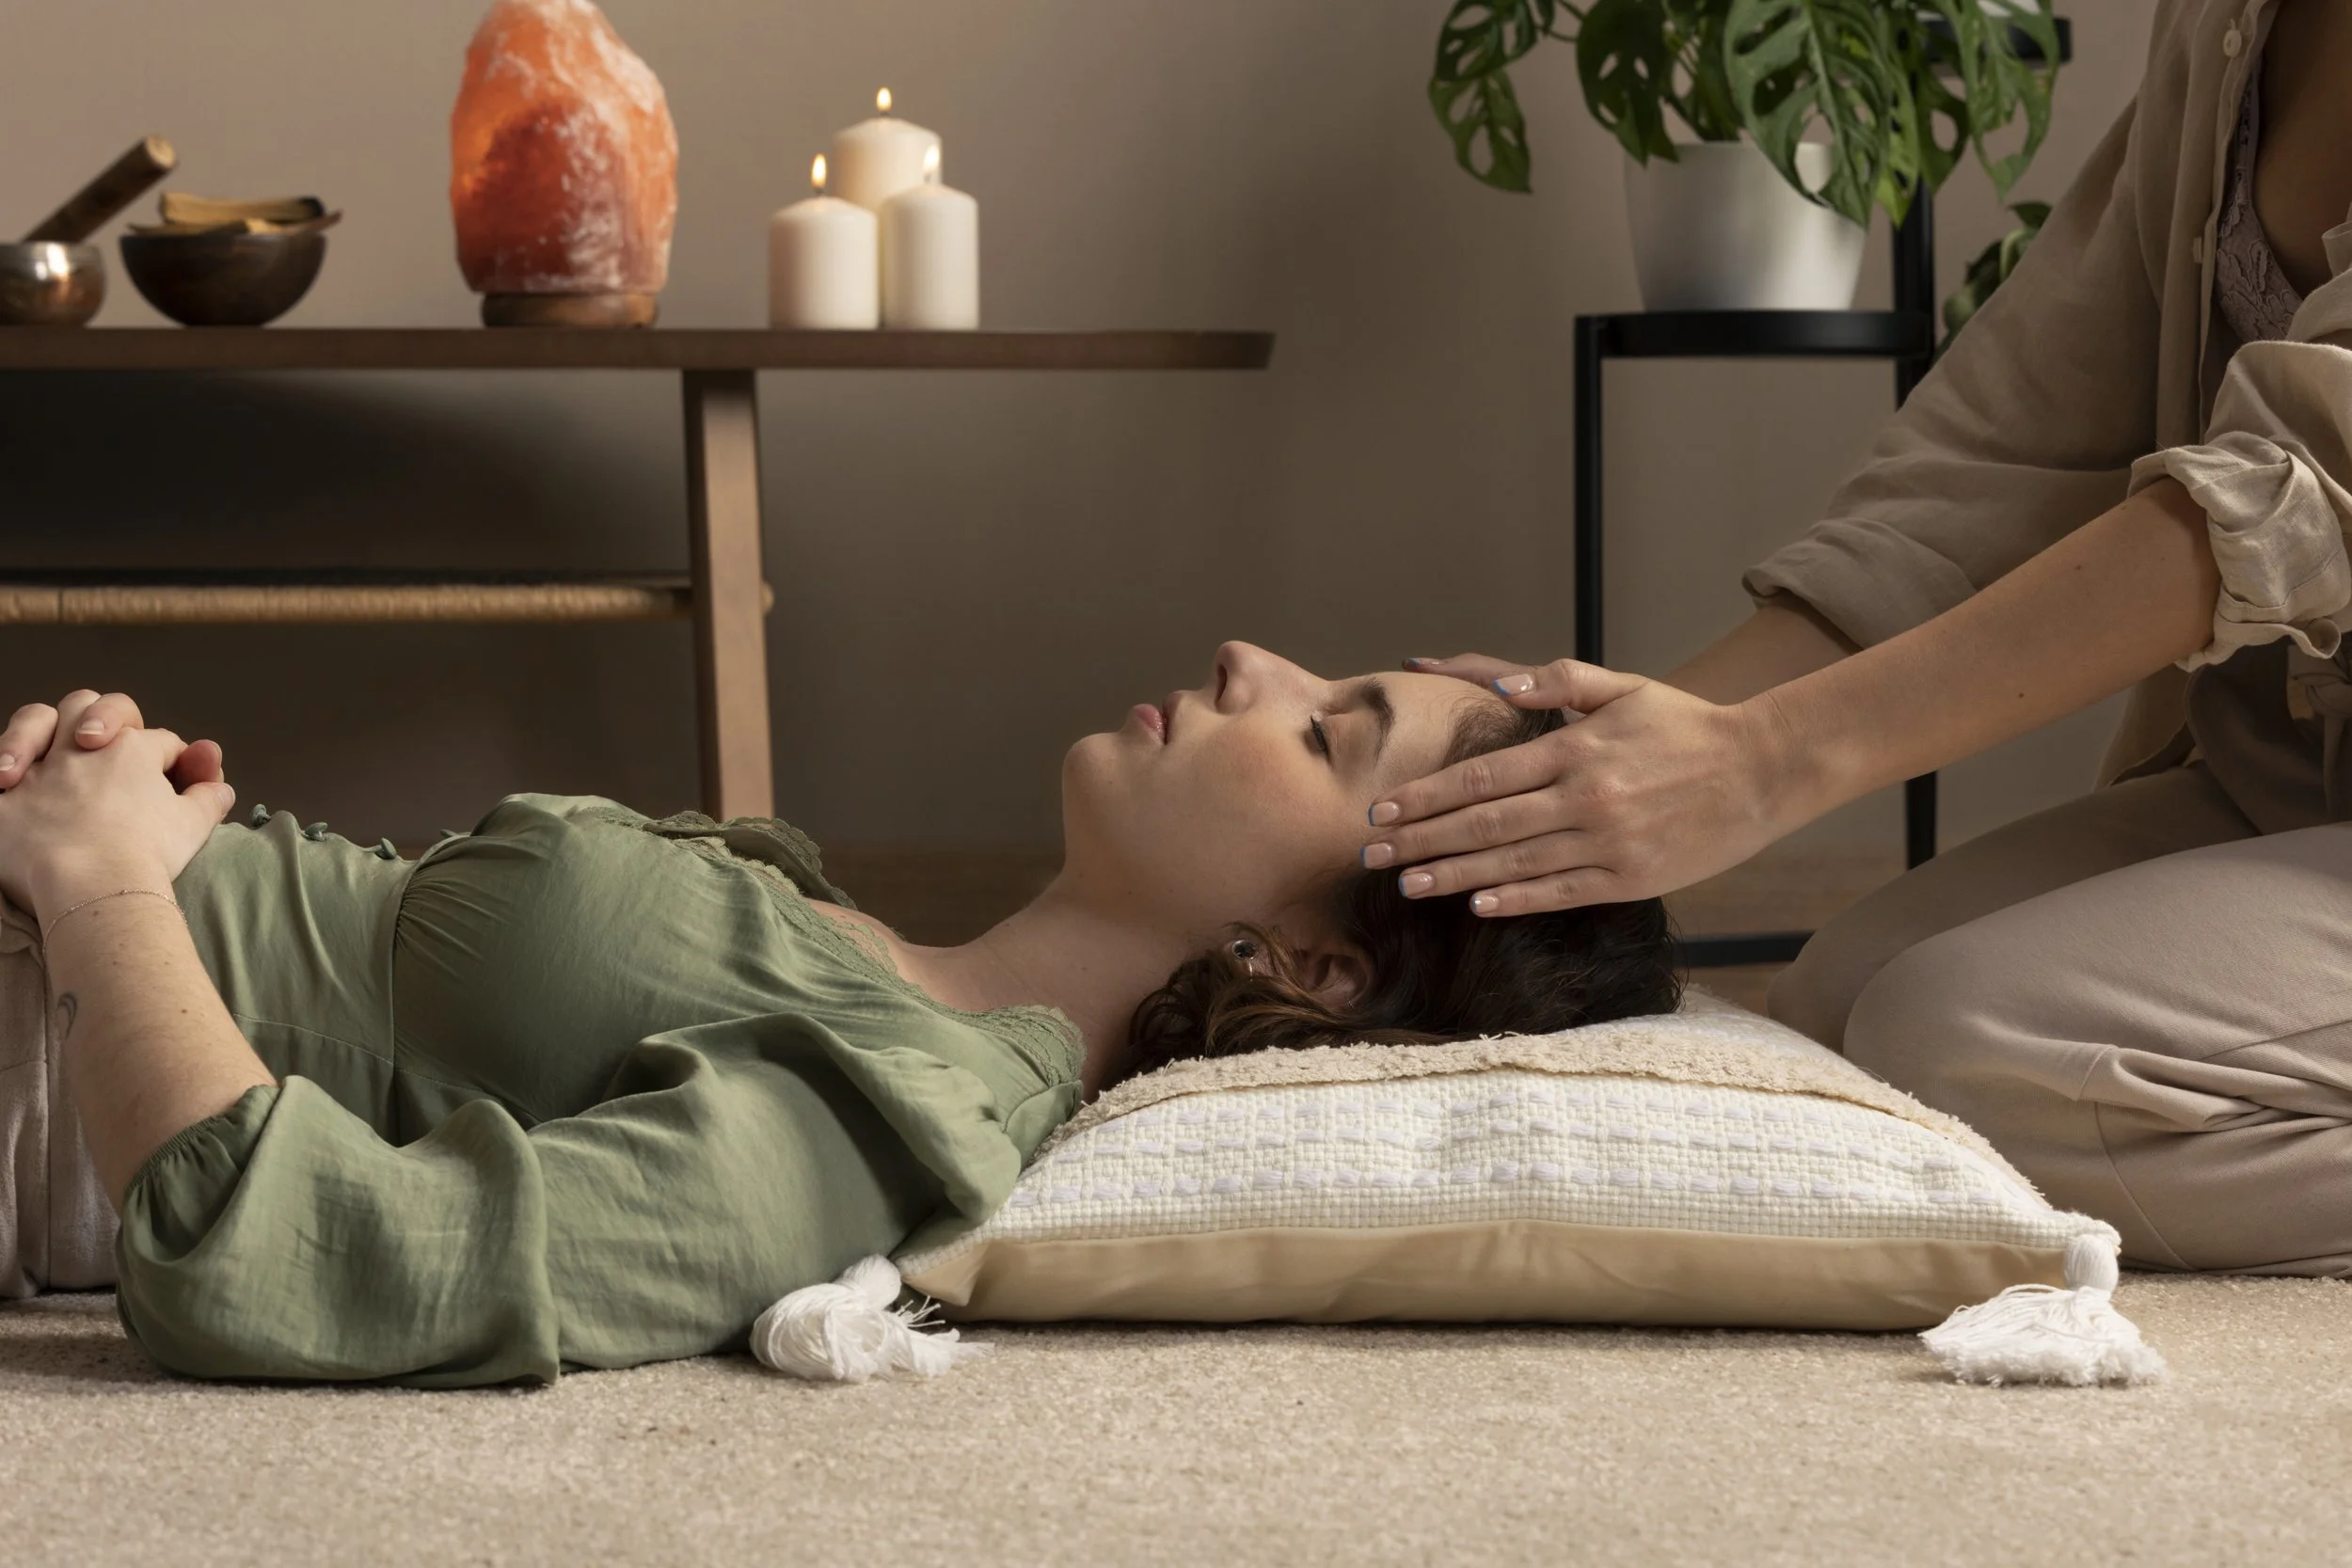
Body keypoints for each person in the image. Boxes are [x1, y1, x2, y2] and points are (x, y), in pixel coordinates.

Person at [1359, 0, 2352, 1275]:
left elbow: (2301, 485)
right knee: (1839, 1006)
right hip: (2294, 785)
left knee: (1967, 1043)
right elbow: (2014, 446)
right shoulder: (2232, 21)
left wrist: (1766, 763)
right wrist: (1623, 746)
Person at [0, 645, 1677, 1386]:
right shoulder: (877, 961)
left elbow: (305, 1258)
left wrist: (100, 892)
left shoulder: (900, 1111)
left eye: (1329, 734)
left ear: (1316, 967)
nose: (1255, 660)